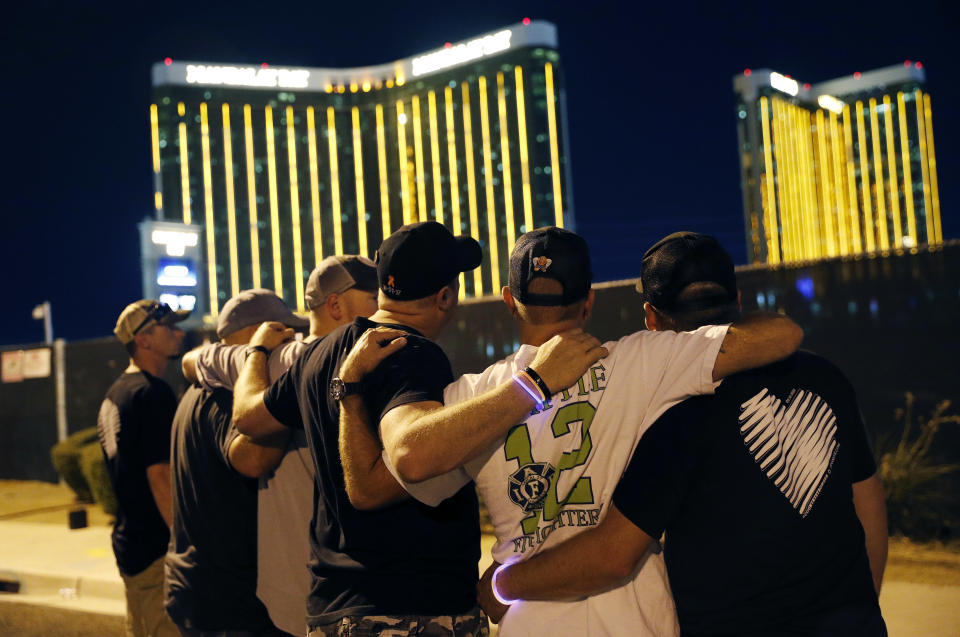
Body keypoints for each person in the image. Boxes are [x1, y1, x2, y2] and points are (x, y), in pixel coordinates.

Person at [337, 227, 805, 636]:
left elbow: (380, 479)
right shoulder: (643, 359)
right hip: (637, 619)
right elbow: (782, 336)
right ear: (589, 300)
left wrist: (351, 391)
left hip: (530, 621)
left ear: (508, 302)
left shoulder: (474, 396)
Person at [480, 232, 889, 637]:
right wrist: (860, 609)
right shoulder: (825, 376)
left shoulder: (676, 410)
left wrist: (505, 584)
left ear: (652, 318)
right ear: (740, 302)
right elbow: (868, 504)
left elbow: (613, 557)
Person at [232, 221, 609, 637]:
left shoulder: (319, 353)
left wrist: (257, 352)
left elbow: (248, 417)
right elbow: (387, 475)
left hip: (331, 605)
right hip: (413, 608)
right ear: (445, 297)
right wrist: (533, 384)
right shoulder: (412, 354)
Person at [180, 255, 378, 636]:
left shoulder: (273, 361)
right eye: (373, 297)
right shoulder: (300, 358)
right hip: (327, 587)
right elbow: (250, 458)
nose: (382, 307)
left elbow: (198, 359)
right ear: (335, 305)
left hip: (295, 588)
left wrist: (255, 351)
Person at [166, 289, 310, 636]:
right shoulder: (221, 393)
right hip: (225, 597)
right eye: (283, 329)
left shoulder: (201, 386)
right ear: (256, 333)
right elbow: (254, 459)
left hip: (202, 582)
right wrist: (283, 404)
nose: (291, 337)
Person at [98, 300, 188, 637]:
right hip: (154, 550)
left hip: (130, 542)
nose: (179, 332)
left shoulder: (116, 393)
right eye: (170, 327)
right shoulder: (152, 394)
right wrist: (182, 544)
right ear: (144, 339)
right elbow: (159, 475)